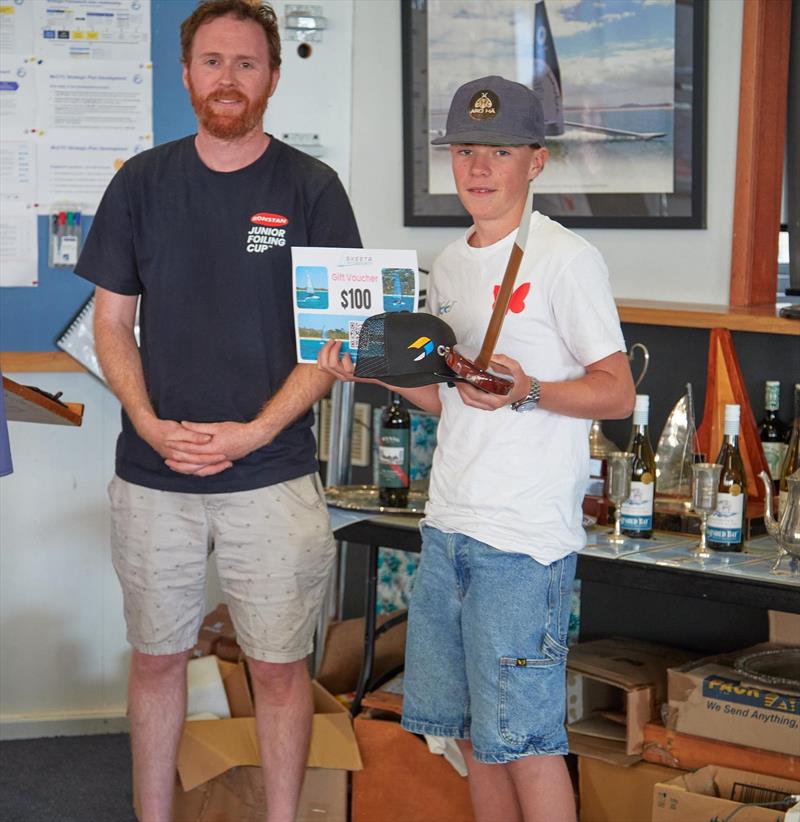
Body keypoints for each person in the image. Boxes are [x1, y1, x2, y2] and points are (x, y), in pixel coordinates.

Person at [317, 75, 634, 822]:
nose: (478, 167)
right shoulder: (449, 264)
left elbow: (616, 391)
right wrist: (370, 373)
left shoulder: (566, 258)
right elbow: (450, 399)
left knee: (524, 741)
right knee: (468, 739)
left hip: (522, 543)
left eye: (498, 150)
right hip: (449, 527)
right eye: (464, 150)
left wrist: (532, 391)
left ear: (537, 161)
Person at [74, 1, 361, 819]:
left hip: (270, 473)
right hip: (154, 471)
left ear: (272, 75)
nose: (226, 79)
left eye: (244, 63)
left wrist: (256, 431)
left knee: (277, 668)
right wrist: (147, 420)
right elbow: (110, 323)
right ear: (186, 73)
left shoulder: (312, 189)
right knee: (158, 658)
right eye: (210, 62)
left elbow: (335, 340)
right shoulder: (140, 183)